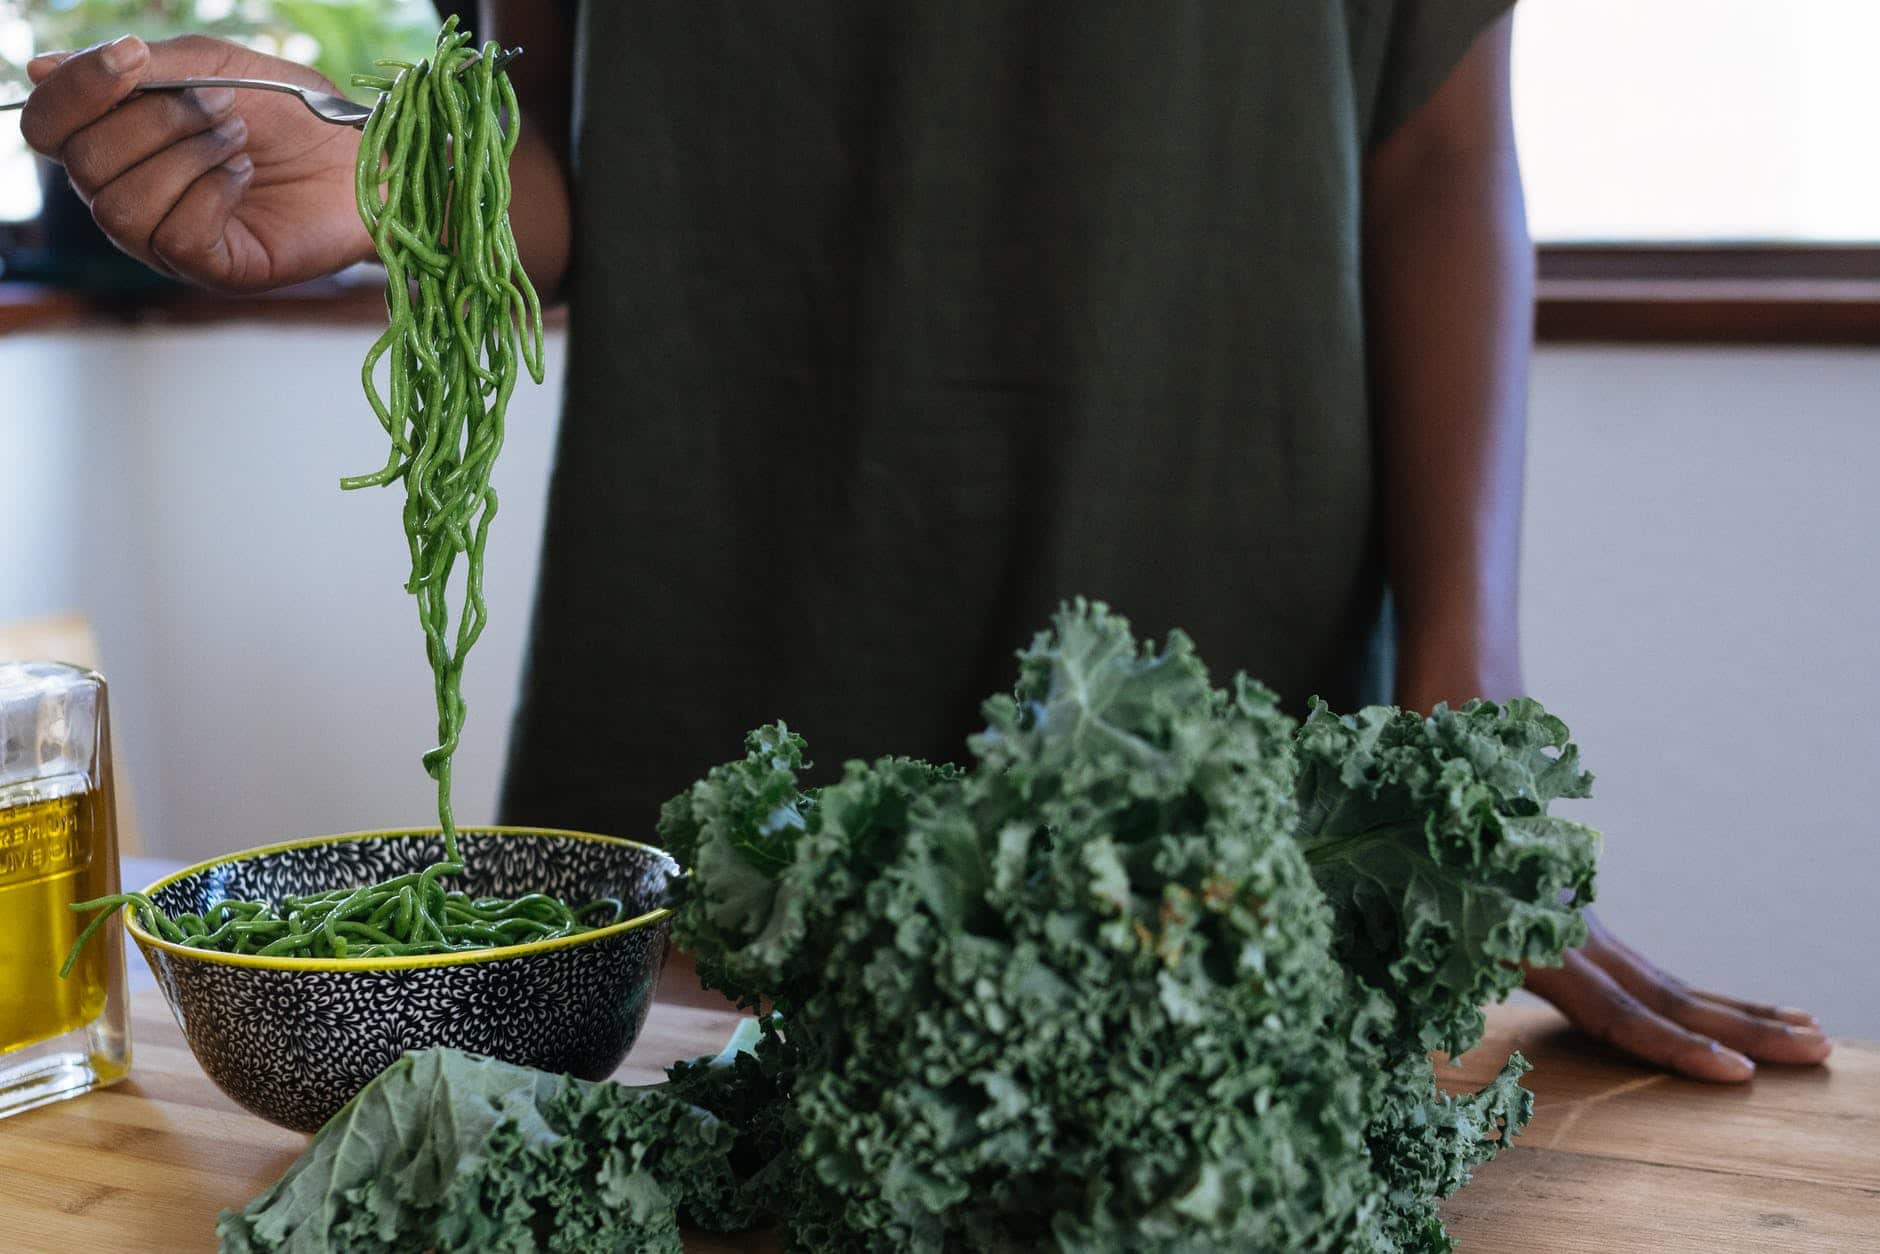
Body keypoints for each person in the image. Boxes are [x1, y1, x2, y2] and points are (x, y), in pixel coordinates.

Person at [17, 3, 1830, 1081]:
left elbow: (1437, 147)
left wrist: (1457, 730)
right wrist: (379, 170)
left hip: (1224, 723)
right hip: (725, 701)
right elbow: (554, 155)